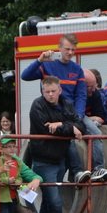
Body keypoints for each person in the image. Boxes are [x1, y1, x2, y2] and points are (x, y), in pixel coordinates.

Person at [20, 35, 91, 184]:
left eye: (73, 50)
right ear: (59, 48)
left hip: (70, 113)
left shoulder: (77, 69)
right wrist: (39, 60)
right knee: (35, 139)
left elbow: (81, 95)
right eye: (67, 49)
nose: (70, 52)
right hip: (49, 113)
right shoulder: (47, 65)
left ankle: (96, 169)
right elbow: (25, 76)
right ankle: (23, 173)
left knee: (95, 134)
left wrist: (77, 117)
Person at [28, 76, 82, 213]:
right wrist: (69, 128)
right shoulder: (37, 105)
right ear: (42, 92)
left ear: (60, 90)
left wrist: (60, 124)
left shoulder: (66, 104)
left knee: (49, 202)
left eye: (53, 91)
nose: (50, 95)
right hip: (43, 160)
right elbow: (48, 129)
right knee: (55, 201)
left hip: (60, 159)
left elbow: (81, 126)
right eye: (47, 92)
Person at [79, 70, 107, 182]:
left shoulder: (95, 94)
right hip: (74, 118)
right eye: (90, 87)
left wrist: (89, 119)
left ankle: (96, 169)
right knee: (95, 133)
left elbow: (101, 117)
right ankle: (97, 168)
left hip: (81, 118)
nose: (94, 89)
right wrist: (90, 119)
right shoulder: (73, 94)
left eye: (94, 86)